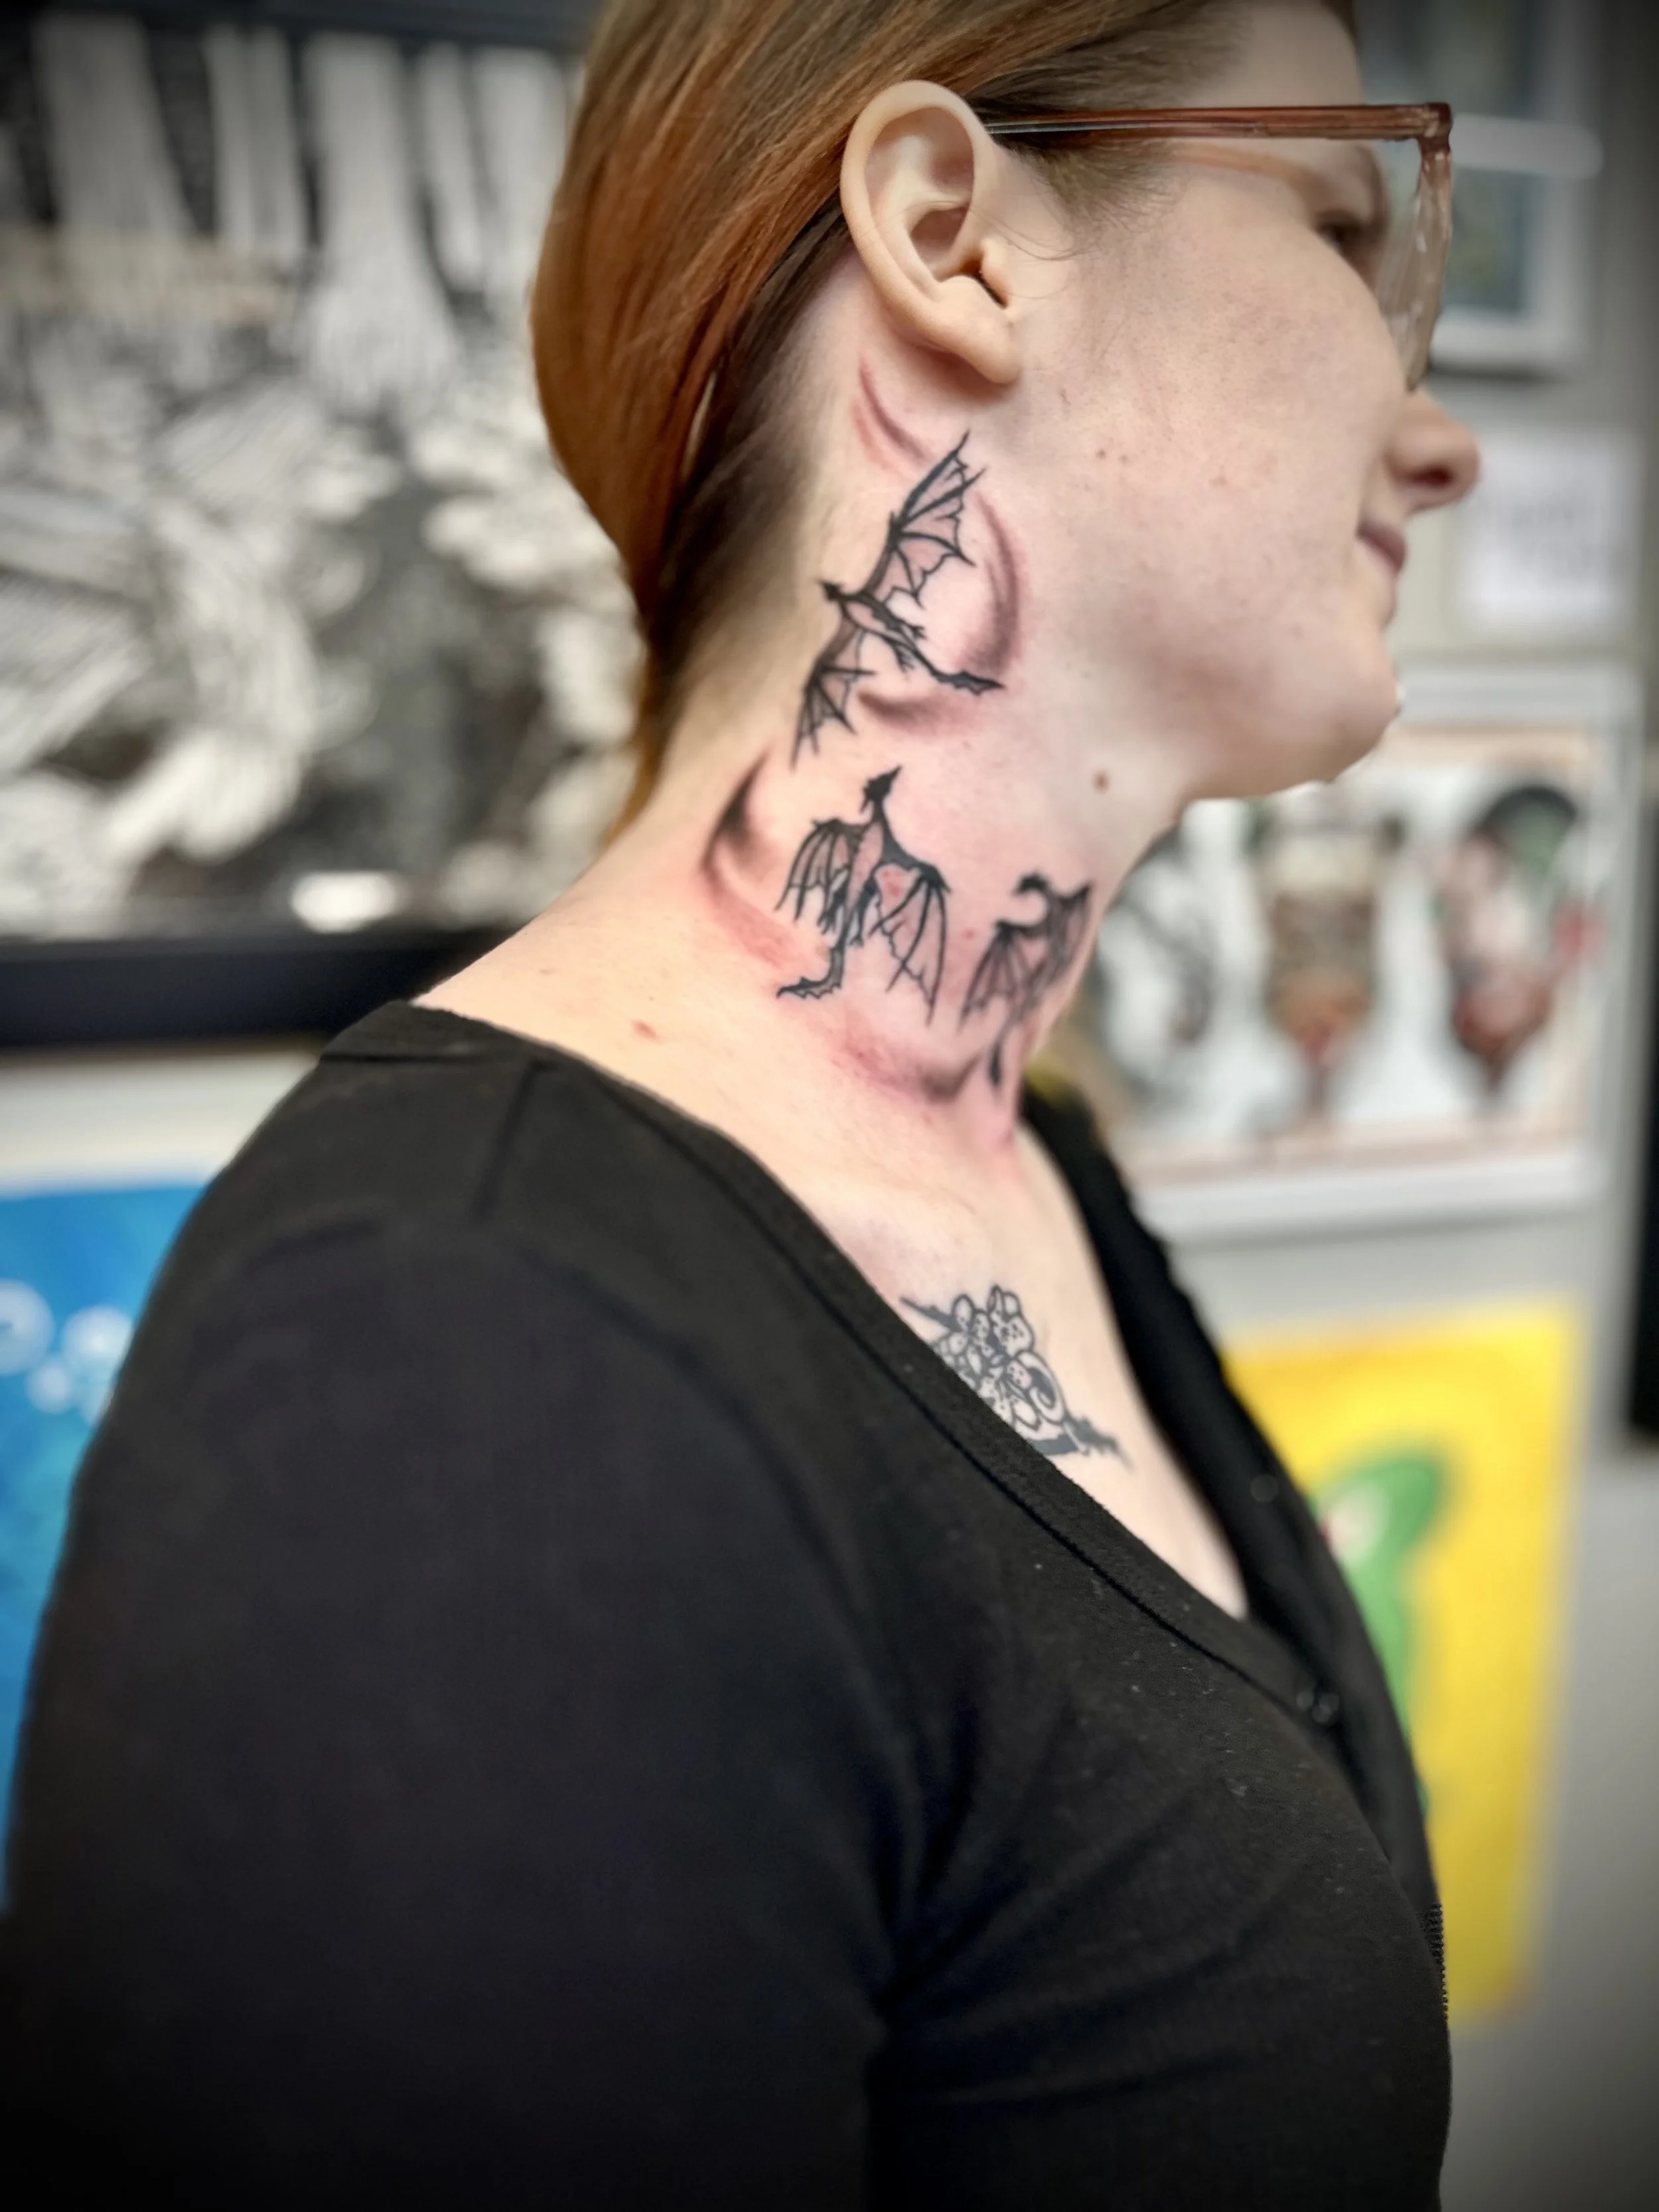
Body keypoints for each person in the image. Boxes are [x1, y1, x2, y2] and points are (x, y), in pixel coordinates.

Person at [0, 1, 1482, 2205]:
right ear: (951, 234)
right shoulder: (462, 1352)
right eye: (1347, 228)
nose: (1437, 436)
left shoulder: (1028, 1163)